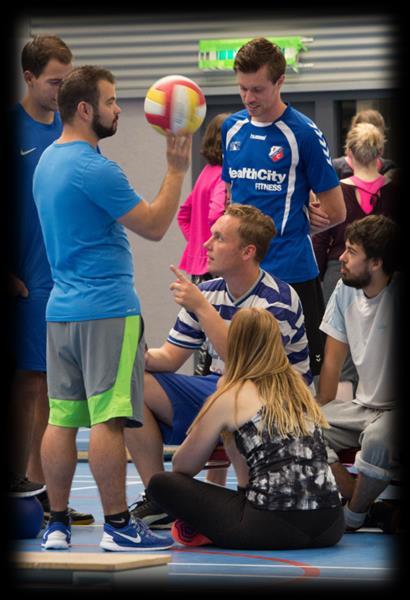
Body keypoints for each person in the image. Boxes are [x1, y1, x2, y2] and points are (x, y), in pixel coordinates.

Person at [32, 65, 191, 551]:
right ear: (85, 109)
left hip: (61, 312)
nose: (119, 109)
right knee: (109, 418)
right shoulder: (92, 167)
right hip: (106, 310)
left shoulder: (46, 163)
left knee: (61, 418)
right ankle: (119, 526)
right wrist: (176, 170)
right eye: (112, 101)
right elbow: (155, 225)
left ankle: (56, 524)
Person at [125, 204, 313, 529]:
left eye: (218, 238)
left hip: (271, 399)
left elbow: (252, 367)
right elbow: (169, 358)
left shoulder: (279, 298)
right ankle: (159, 496)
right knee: (130, 384)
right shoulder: (209, 292)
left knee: (233, 391)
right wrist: (129, 350)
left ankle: (235, 493)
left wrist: (200, 307)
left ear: (246, 251)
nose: (205, 245)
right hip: (222, 390)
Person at [146, 307, 344, 549]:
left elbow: (182, 466)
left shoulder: (231, 395)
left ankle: (215, 527)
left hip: (272, 525)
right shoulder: (298, 387)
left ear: (234, 345)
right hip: (330, 525)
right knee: (245, 444)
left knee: (160, 483)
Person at [221, 37, 346, 377]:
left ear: (280, 82)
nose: (249, 98)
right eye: (243, 89)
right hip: (243, 273)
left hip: (290, 272)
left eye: (258, 89)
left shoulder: (303, 133)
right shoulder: (232, 128)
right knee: (241, 375)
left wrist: (301, 224)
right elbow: (232, 200)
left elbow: (337, 212)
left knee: (296, 380)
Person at [8, 35, 92, 524]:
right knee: (26, 384)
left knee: (52, 387)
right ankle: (18, 480)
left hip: (63, 276)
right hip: (23, 278)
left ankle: (41, 489)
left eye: (68, 81)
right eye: (55, 82)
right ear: (29, 78)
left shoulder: (69, 131)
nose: (62, 91)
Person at [316, 215, 400, 532]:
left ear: (376, 262)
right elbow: (331, 362)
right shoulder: (344, 289)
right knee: (300, 426)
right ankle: (361, 504)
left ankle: (352, 517)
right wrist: (316, 405)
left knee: (378, 439)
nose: (341, 258)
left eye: (351, 251)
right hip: (361, 408)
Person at [313, 122, 398, 396]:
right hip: (383, 273)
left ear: (348, 153)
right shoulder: (393, 190)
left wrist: (316, 277)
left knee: (341, 352)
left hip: (339, 270)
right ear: (380, 152)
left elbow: (321, 239)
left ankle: (342, 408)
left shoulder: (336, 190)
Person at [177, 112, 230, 376]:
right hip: (213, 269)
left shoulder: (205, 173)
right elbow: (216, 214)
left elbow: (184, 215)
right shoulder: (223, 176)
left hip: (198, 267)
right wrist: (218, 244)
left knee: (197, 334)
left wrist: (199, 244)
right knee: (213, 334)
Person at [332, 109, 396, 180]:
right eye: (366, 139)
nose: (369, 146)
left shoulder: (389, 168)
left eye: (375, 139)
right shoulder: (335, 168)